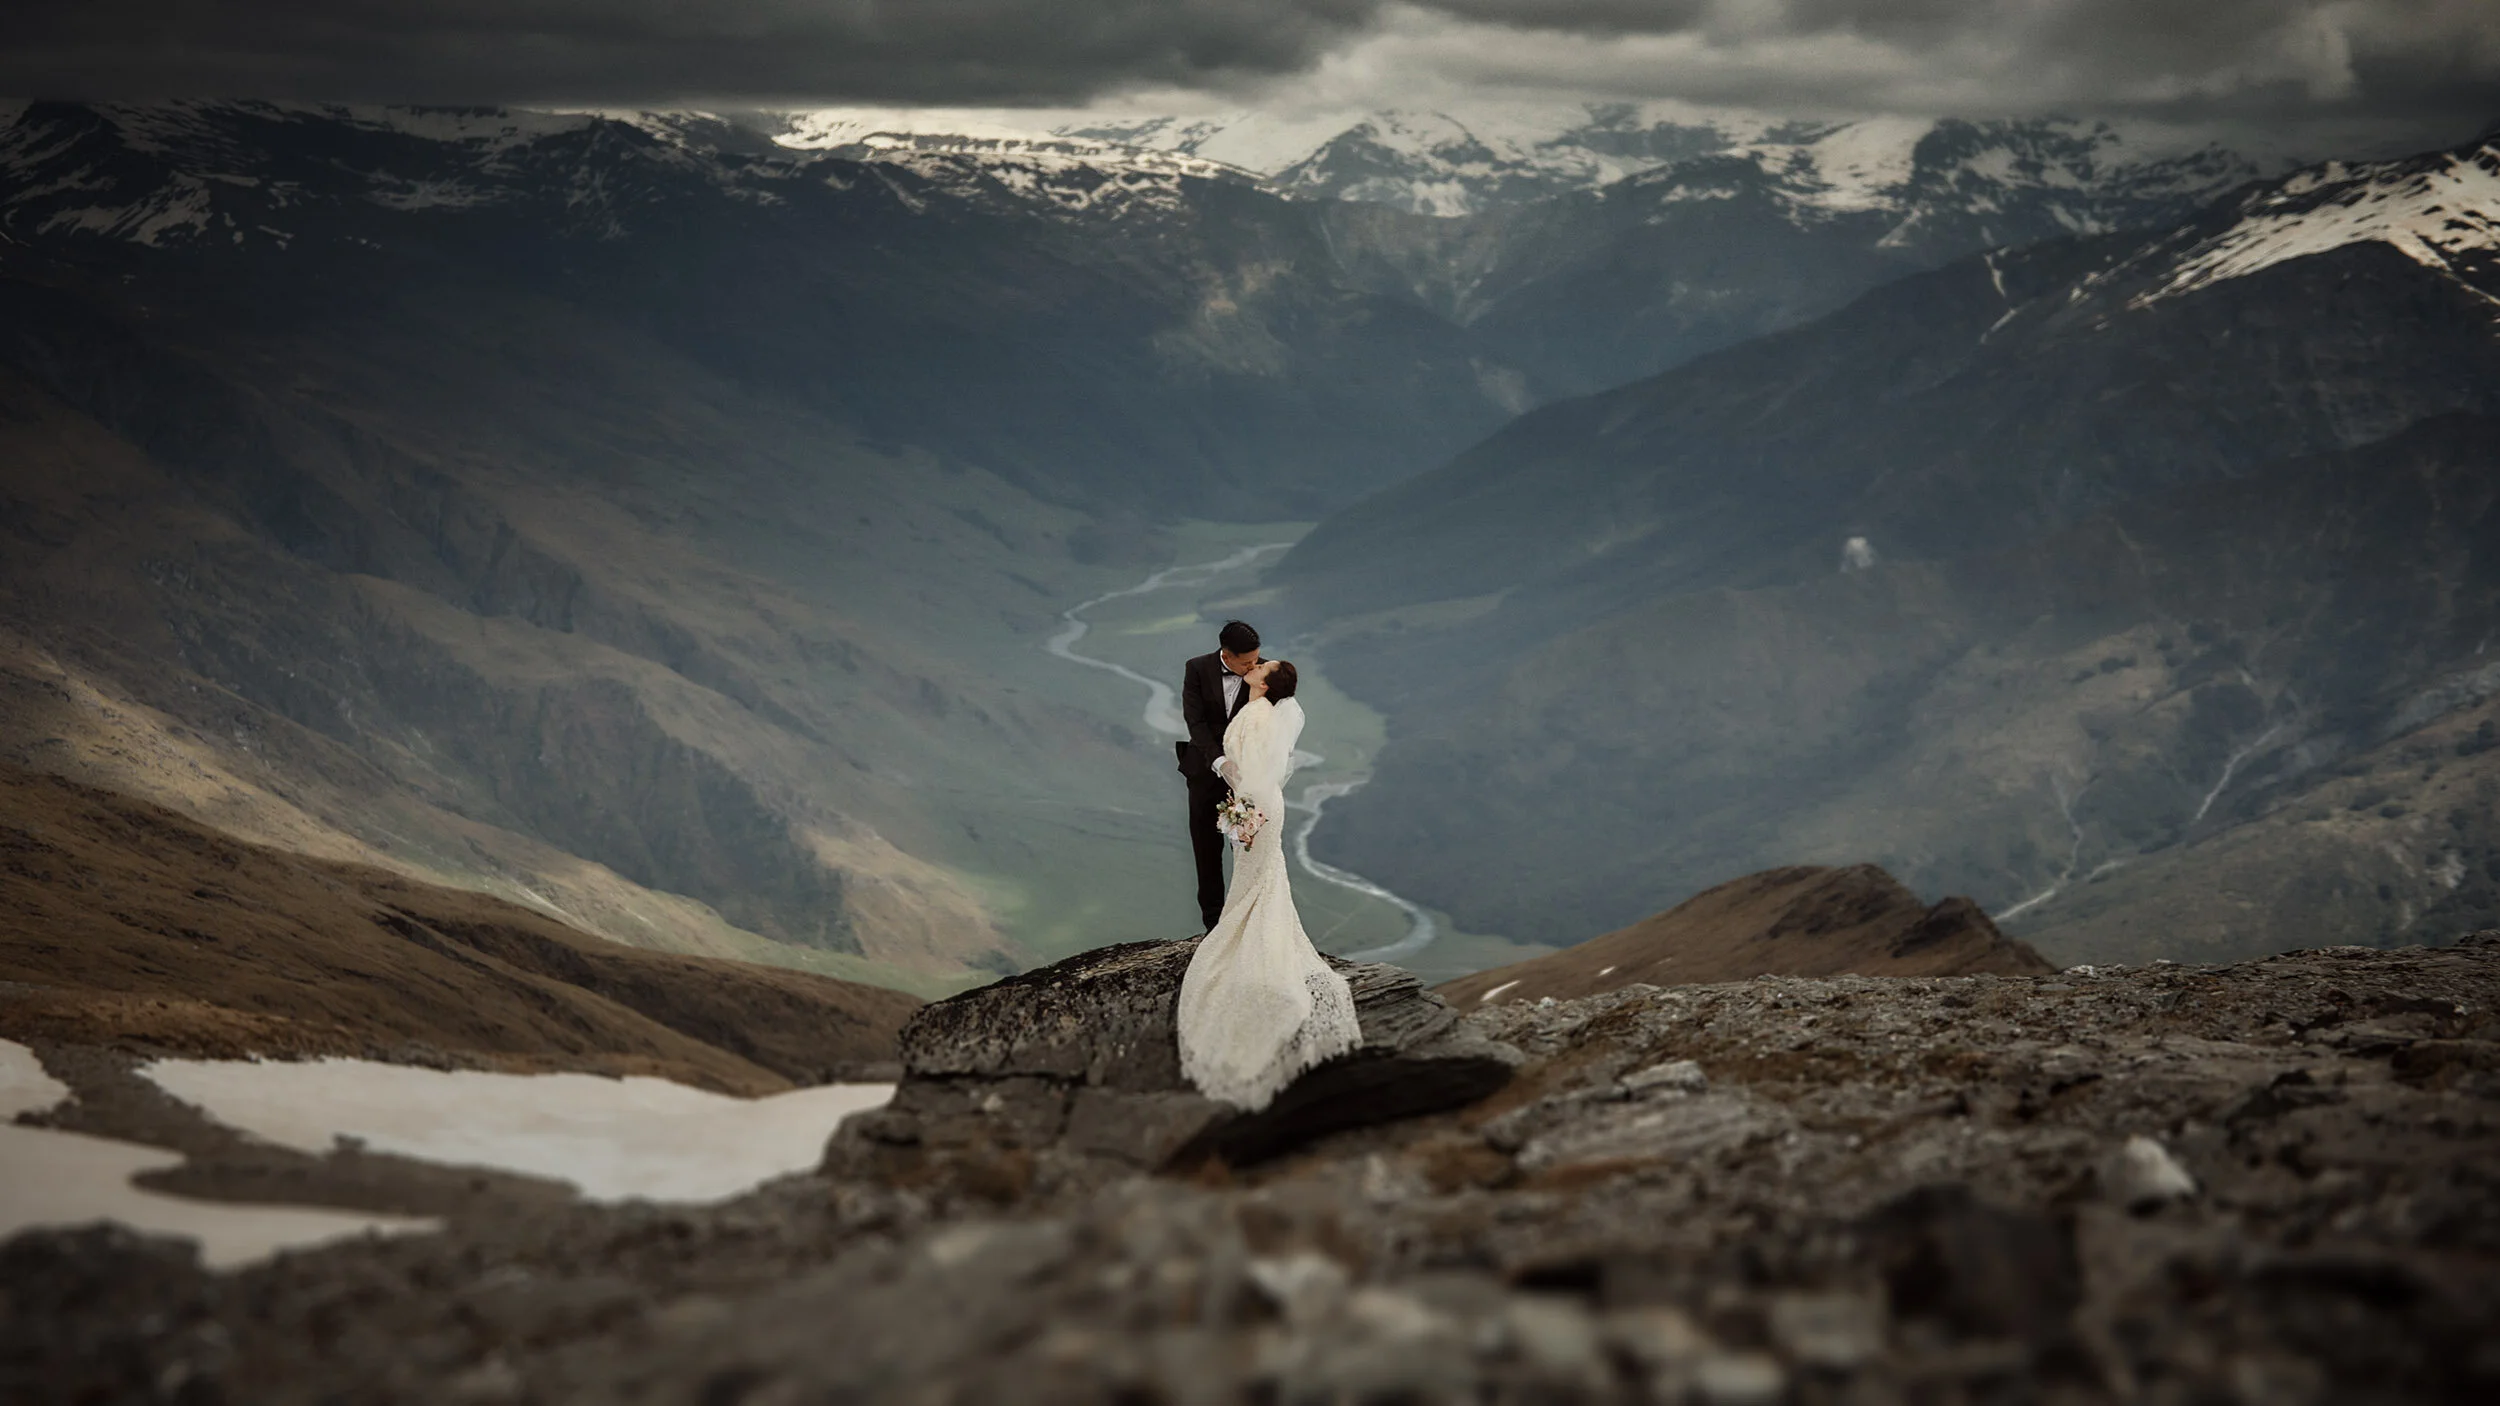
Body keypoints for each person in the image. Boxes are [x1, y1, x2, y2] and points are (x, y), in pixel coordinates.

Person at [1175, 659, 1362, 1110]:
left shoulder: (1258, 714)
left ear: (1265, 683)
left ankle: (1245, 938)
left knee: (1258, 873)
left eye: (1263, 666)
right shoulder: (1261, 710)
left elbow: (1254, 770)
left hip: (1256, 806)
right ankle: (1248, 928)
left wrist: (1245, 817)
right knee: (1260, 875)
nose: (1256, 666)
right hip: (1257, 803)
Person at [1177, 620, 1261, 934]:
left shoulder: (1265, 672)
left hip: (1248, 779)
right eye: (1246, 662)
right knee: (1206, 850)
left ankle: (1248, 922)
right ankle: (1214, 927)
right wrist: (1220, 762)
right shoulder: (1196, 668)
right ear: (1226, 653)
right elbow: (1194, 722)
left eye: (1256, 659)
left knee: (1248, 848)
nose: (1253, 666)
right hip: (1204, 773)